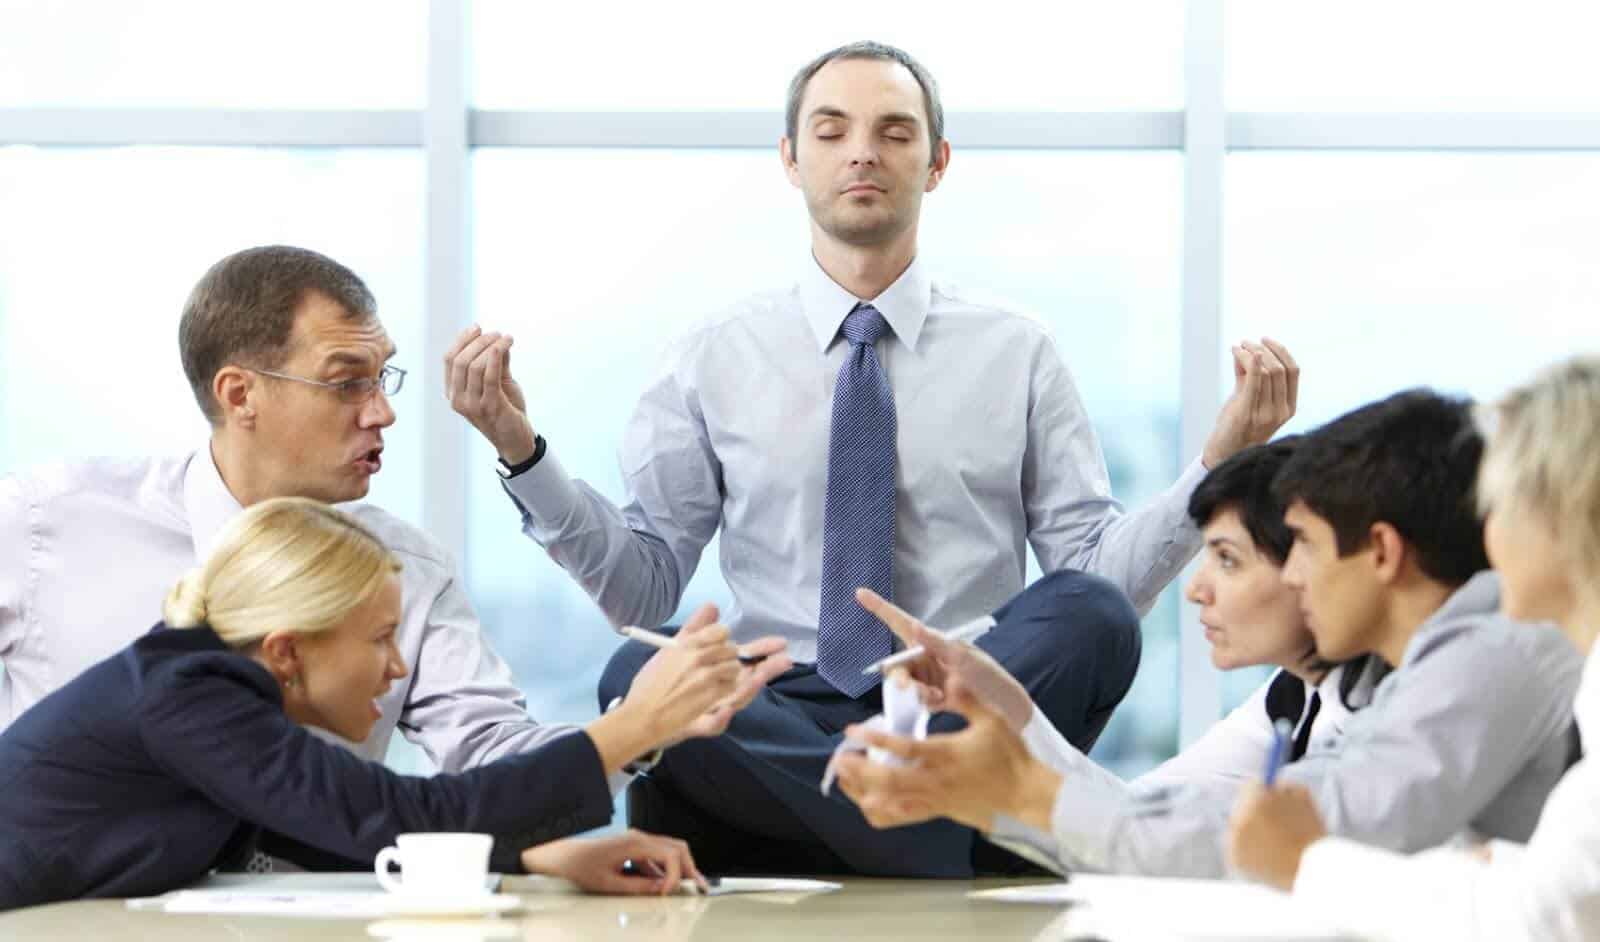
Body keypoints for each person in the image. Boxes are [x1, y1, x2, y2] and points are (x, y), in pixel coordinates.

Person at [445, 40, 1297, 876]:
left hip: (953, 699)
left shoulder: (1019, 352)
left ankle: (885, 820)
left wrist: (1222, 459)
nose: (862, 151)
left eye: (894, 131)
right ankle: (930, 828)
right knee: (639, 668)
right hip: (772, 704)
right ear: (790, 158)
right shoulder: (711, 355)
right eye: (831, 130)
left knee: (1093, 615)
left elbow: (1096, 576)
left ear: (936, 162)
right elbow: (643, 586)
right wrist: (522, 450)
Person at [0, 245, 788, 792]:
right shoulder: (46, 522)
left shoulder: (405, 569)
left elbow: (487, 755)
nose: (382, 413)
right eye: (347, 383)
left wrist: (648, 725)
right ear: (240, 395)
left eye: (384, 380)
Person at [834, 389, 1580, 878]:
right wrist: (1010, 726)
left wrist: (1021, 794)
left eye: (1306, 548)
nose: (1294, 577)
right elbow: (1166, 817)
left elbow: (1314, 835)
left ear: (1381, 552)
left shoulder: (1493, 652)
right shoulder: (1362, 682)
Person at [0, 497, 781, 910]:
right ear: (286, 651)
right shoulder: (191, 696)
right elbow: (403, 815)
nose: (397, 665)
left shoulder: (203, 698)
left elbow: (338, 830)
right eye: (378, 639)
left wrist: (545, 854)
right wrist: (632, 725)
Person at [829, 439, 1383, 866]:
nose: (1197, 588)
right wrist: (1009, 706)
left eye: (1228, 559)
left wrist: (1010, 792)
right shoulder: (1288, 699)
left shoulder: (1388, 709)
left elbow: (1195, 845)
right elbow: (1140, 817)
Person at [1227, 356, 1600, 940]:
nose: (1486, 534)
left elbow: (1542, 920)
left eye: (1498, 506)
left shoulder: (1504, 665)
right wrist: (1507, 873)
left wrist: (1307, 861)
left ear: (1560, 514)